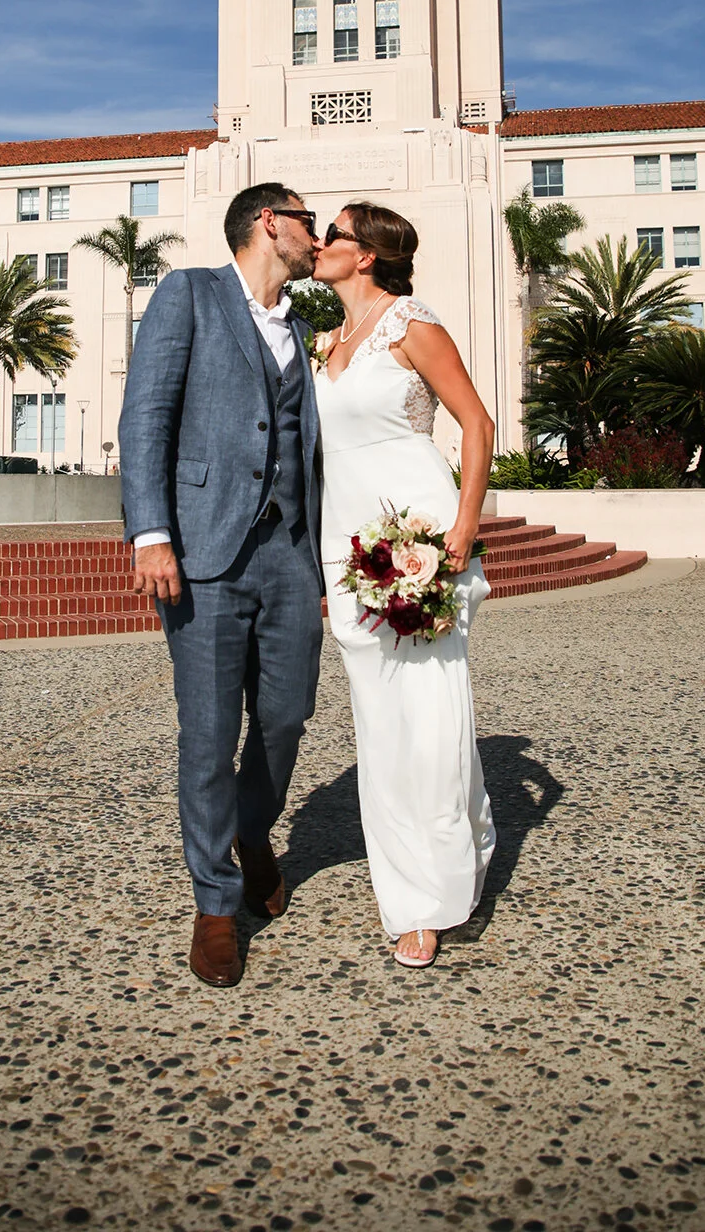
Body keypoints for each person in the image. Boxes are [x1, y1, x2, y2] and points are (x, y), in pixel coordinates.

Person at [120, 183, 324, 987]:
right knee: (207, 734)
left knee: (286, 716)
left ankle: (252, 827)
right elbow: (147, 415)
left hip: (288, 553)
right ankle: (214, 902)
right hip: (203, 551)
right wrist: (151, 533)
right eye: (308, 222)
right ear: (270, 223)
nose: (316, 236)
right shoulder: (191, 293)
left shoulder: (299, 327)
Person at [312, 201, 496, 969]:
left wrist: (463, 525)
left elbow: (477, 423)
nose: (319, 242)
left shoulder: (411, 324)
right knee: (380, 727)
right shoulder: (326, 341)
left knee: (429, 719)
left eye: (333, 234)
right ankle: (410, 881)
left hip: (417, 532)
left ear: (366, 256)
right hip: (345, 544)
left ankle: (431, 899)